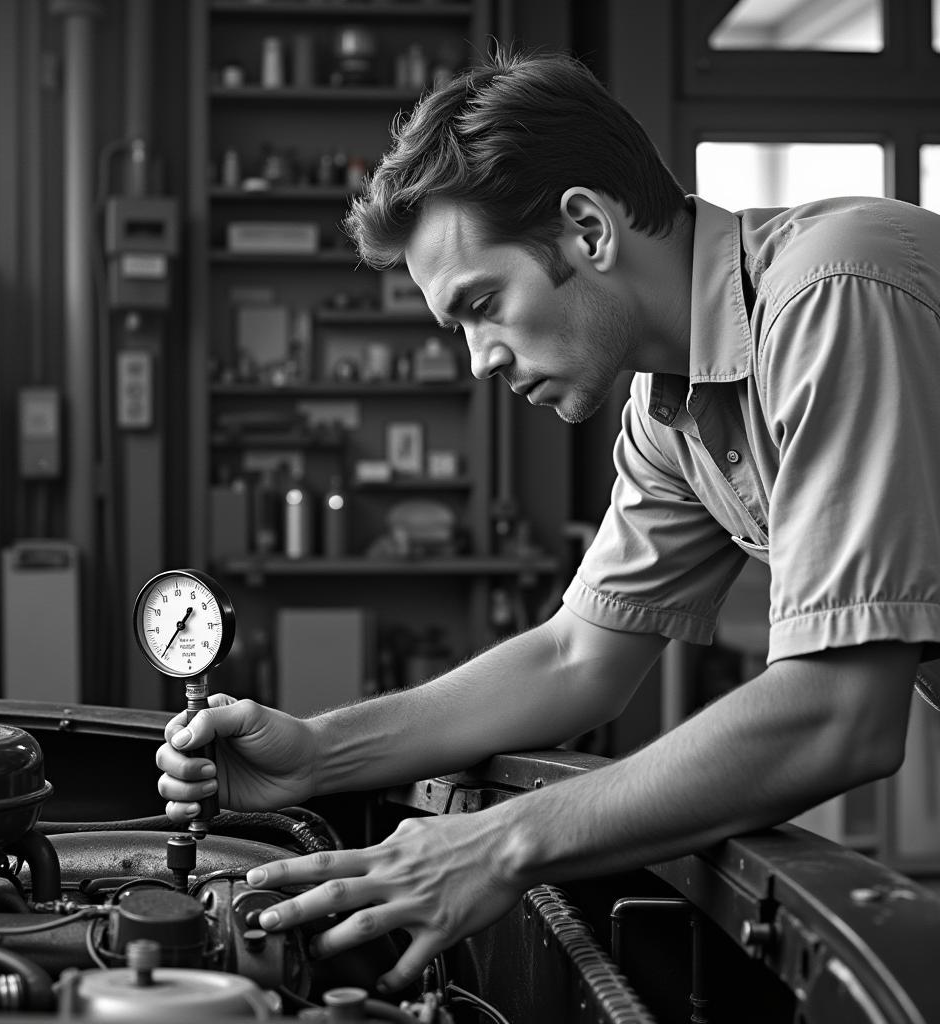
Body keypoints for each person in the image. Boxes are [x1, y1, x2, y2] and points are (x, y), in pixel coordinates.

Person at [157, 49, 940, 994]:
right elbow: (581, 658)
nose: (482, 361)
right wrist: (318, 756)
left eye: (484, 306)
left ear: (586, 227)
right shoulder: (671, 411)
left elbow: (842, 712)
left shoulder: (832, 296)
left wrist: (497, 845)